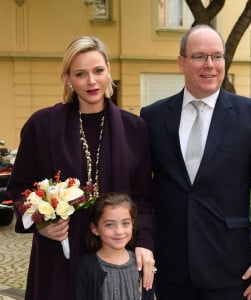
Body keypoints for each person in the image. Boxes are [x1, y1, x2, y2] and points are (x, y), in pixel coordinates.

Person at [140, 24, 251, 300]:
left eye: (217, 56)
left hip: (231, 267)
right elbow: (142, 190)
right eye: (199, 57)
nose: (210, 65)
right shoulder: (153, 116)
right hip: (169, 265)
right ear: (182, 63)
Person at [7, 36, 155, 300]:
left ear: (108, 70)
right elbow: (19, 189)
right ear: (68, 79)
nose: (91, 81)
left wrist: (145, 243)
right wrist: (40, 224)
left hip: (117, 259)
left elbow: (143, 197)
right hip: (58, 257)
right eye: (80, 74)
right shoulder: (42, 125)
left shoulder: (136, 129)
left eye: (98, 70)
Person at [75, 192, 155, 300]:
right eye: (110, 224)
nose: (119, 231)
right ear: (95, 228)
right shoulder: (87, 266)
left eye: (125, 223)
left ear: (132, 223)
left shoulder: (140, 264)